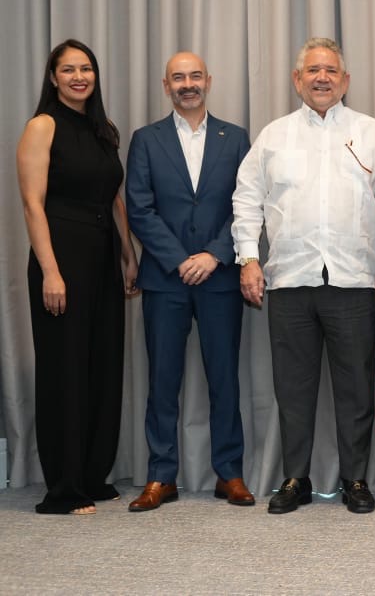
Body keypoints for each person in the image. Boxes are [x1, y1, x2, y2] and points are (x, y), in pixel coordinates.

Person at [232, 37, 375, 514]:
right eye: (312, 70)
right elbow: (247, 199)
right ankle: (295, 478)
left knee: (356, 388)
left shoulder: (371, 132)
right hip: (289, 281)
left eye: (331, 71)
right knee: (292, 389)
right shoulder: (273, 136)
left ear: (345, 81)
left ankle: (355, 479)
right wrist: (248, 258)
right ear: (296, 79)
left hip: (354, 280)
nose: (321, 78)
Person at [125, 52, 253, 511]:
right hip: (166, 280)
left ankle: (229, 474)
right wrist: (180, 260)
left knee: (224, 380)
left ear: (208, 81)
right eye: (178, 77)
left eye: (195, 75)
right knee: (163, 381)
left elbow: (246, 204)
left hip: (220, 279)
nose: (187, 84)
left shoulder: (235, 138)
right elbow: (139, 208)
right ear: (166, 85)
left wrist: (214, 255)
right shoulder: (146, 140)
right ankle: (161, 476)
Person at [16, 39, 140, 515]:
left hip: (103, 255)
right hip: (62, 255)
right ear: (53, 78)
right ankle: (64, 488)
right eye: (68, 69)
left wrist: (128, 255)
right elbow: (32, 204)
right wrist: (50, 271)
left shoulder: (103, 129)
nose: (78, 77)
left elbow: (114, 197)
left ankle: (91, 475)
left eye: (85, 68)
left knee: (102, 366)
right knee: (65, 370)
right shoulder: (42, 126)